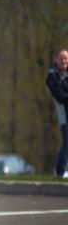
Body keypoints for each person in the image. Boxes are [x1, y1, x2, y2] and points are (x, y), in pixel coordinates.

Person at [46, 49, 68, 178]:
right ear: (56, 60)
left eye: (66, 58)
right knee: (67, 142)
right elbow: (60, 96)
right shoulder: (52, 75)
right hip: (65, 115)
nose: (64, 61)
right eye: (61, 58)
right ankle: (60, 171)